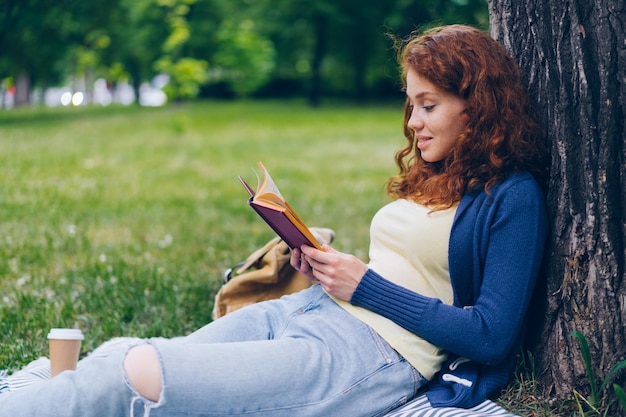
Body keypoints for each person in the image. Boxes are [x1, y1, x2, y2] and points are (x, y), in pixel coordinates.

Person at [0, 24, 548, 417]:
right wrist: (321, 266)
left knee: (136, 373)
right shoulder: (436, 172)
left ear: (477, 104)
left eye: (428, 105)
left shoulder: (514, 196)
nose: (413, 123)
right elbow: (403, 266)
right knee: (120, 357)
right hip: (305, 309)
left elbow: (492, 335)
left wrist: (366, 287)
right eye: (410, 105)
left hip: (369, 354)